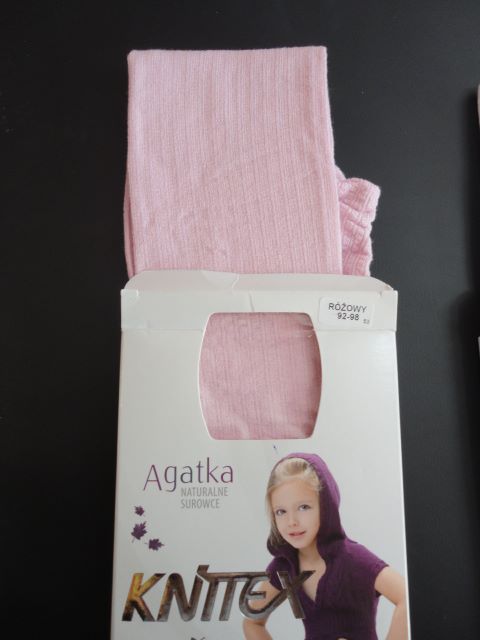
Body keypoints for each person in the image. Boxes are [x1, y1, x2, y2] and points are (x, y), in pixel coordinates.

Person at [243, 453, 408, 640]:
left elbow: (406, 597)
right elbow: (252, 621)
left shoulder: (353, 559)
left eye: (304, 507)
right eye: (281, 511)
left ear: (326, 506)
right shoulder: (285, 567)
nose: (291, 521)